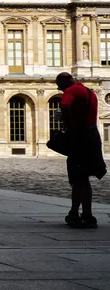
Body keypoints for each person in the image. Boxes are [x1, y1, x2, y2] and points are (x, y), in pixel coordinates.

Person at [57, 72, 106, 228]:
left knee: (78, 177)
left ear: (64, 83)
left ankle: (81, 214)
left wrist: (68, 124)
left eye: (59, 86)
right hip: (92, 135)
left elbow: (65, 106)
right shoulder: (90, 92)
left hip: (80, 137)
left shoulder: (70, 92)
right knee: (83, 178)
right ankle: (82, 213)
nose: (59, 89)